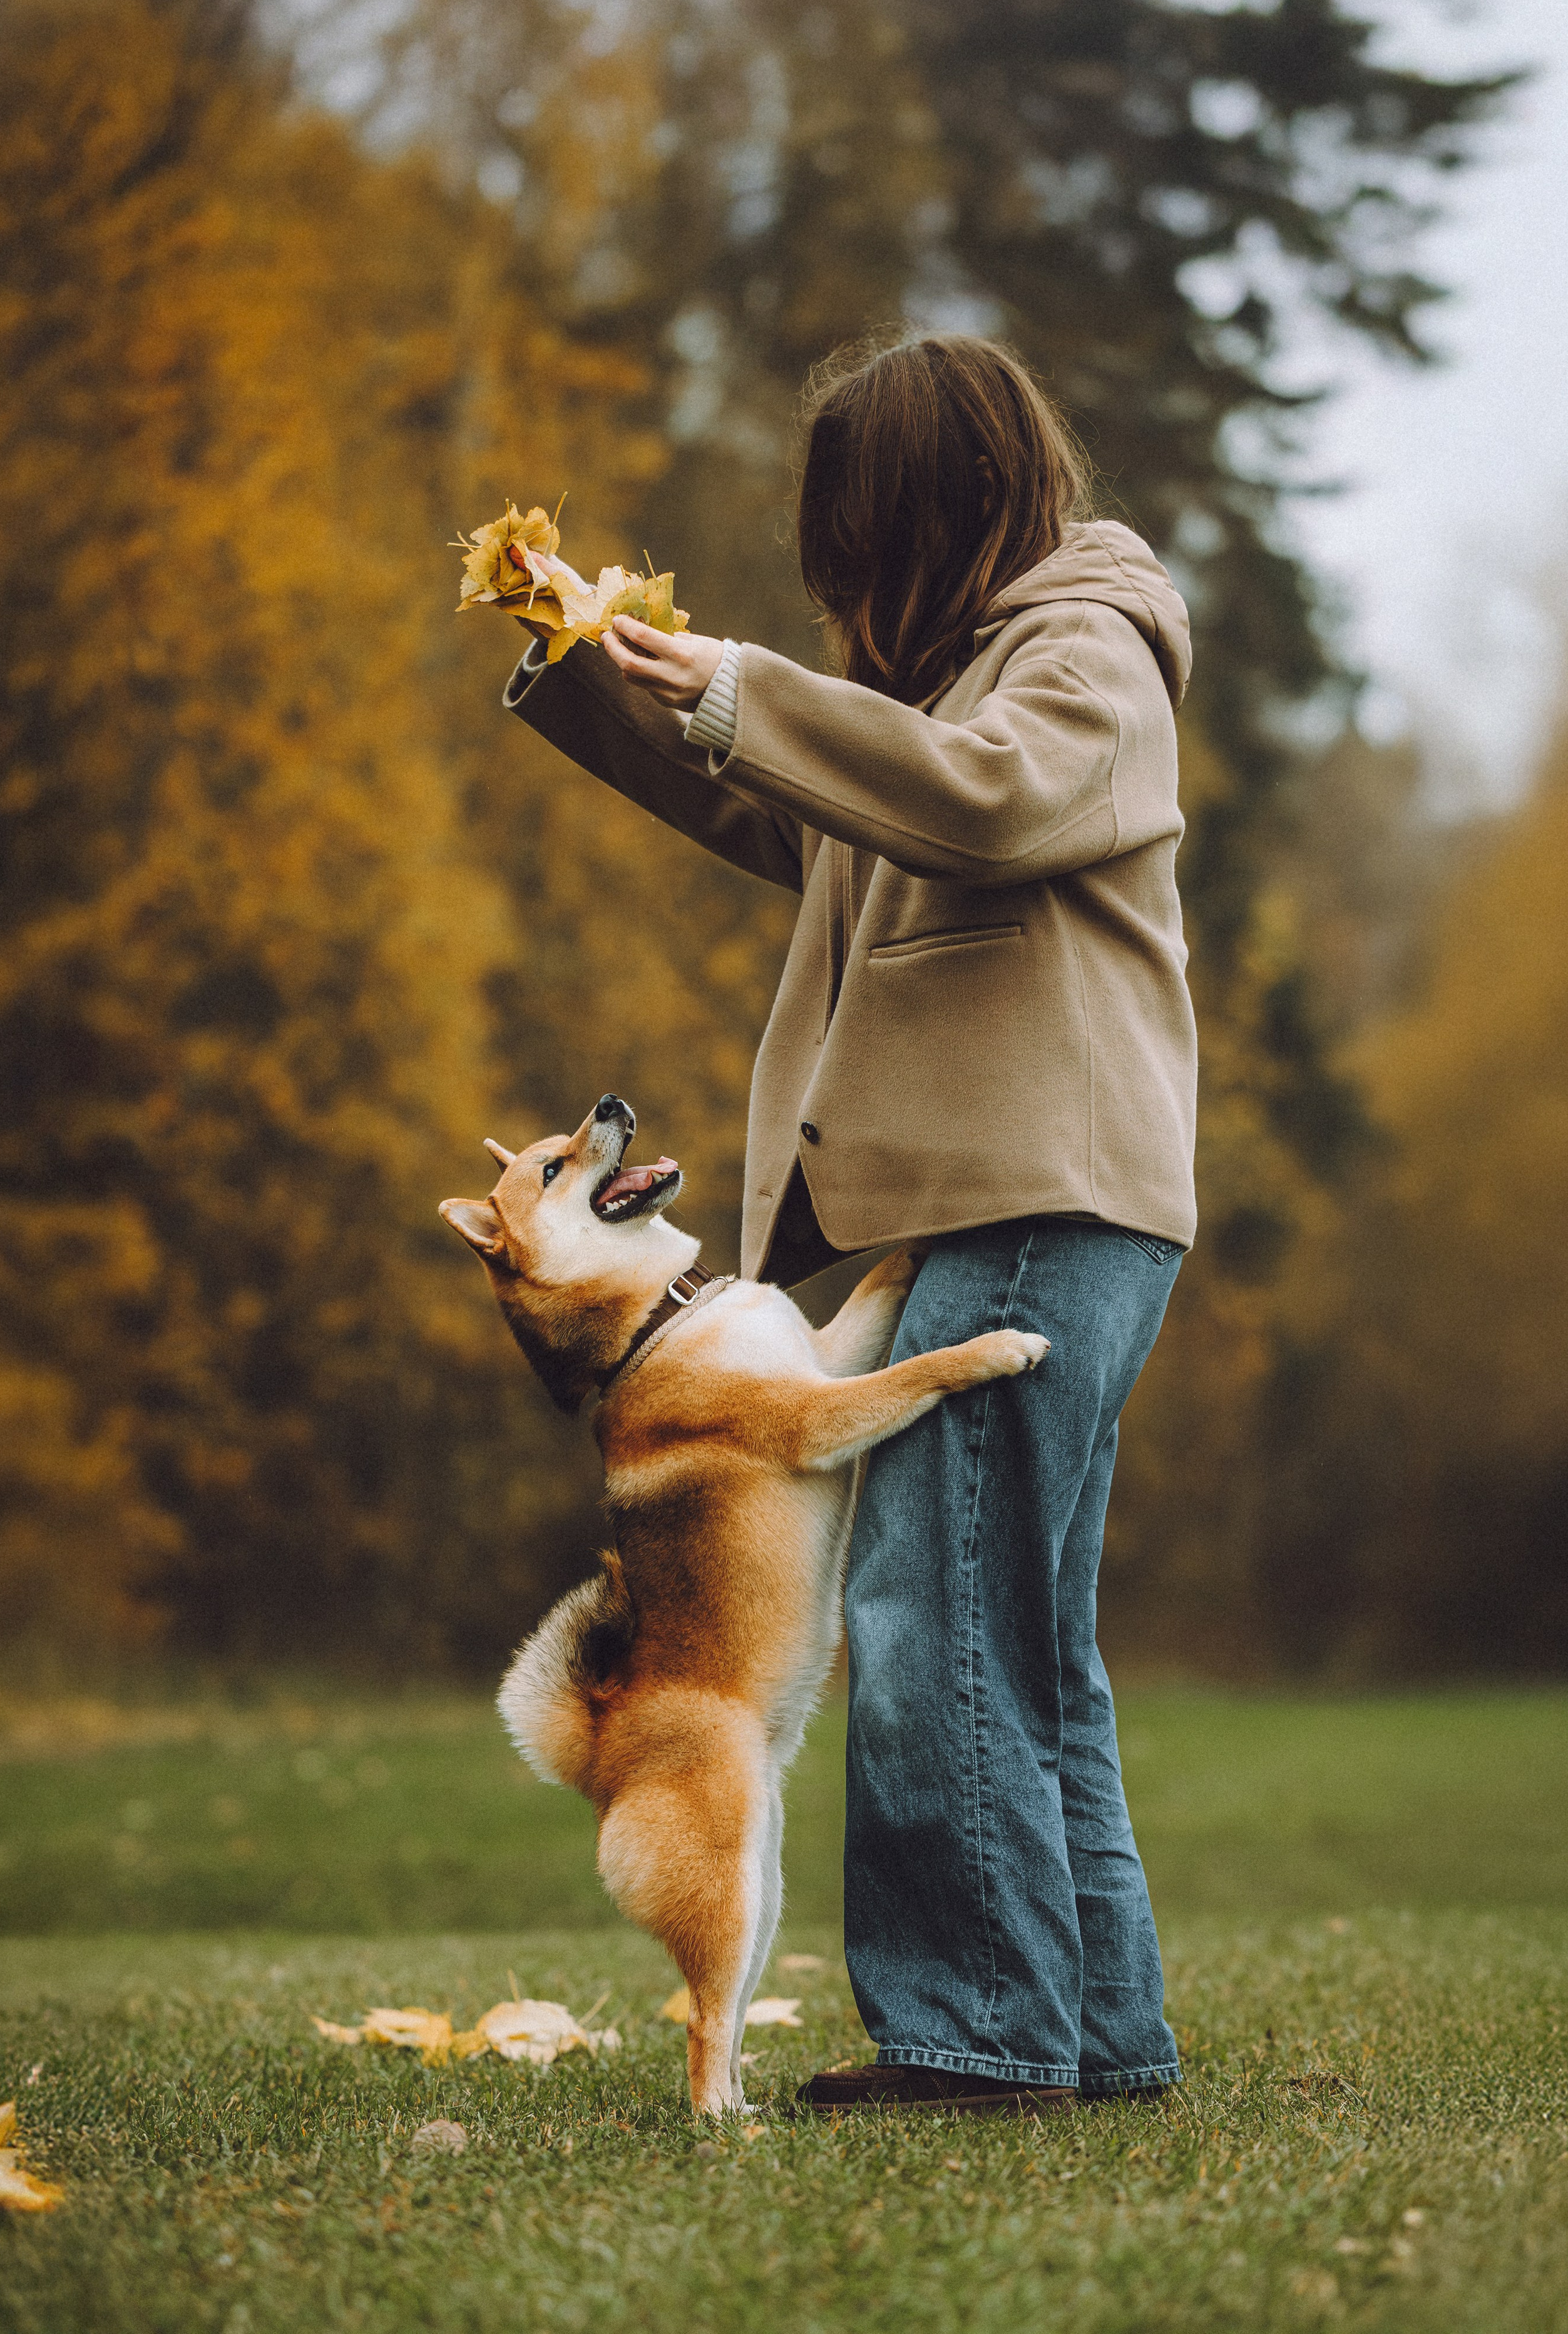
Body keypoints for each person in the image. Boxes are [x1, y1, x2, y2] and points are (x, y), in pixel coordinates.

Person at [503, 332, 1195, 2114]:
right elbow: (803, 819)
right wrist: (603, 673)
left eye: (858, 547)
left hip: (1039, 1199)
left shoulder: (1085, 648)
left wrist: (743, 680)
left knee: (929, 1613)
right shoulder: (956, 686)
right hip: (1011, 1202)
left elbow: (989, 802)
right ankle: (1096, 2033)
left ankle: (981, 2036)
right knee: (1023, 1641)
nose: (841, 592)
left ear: (941, 511)